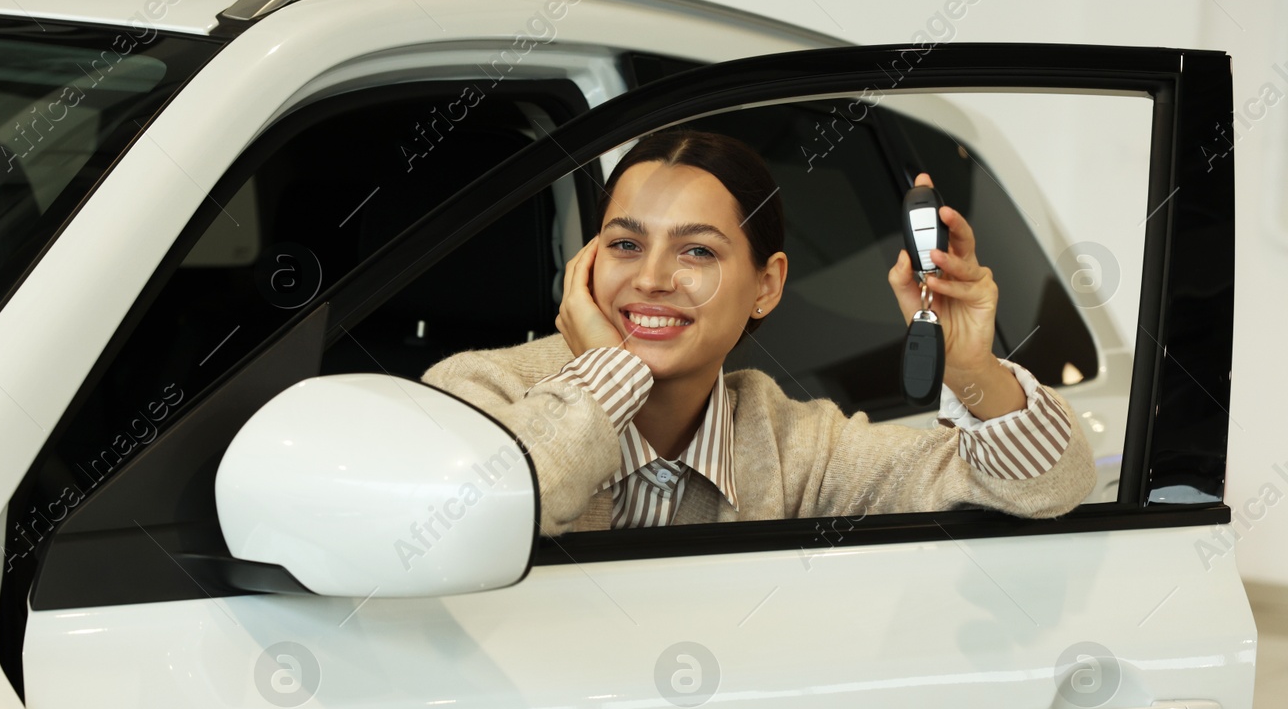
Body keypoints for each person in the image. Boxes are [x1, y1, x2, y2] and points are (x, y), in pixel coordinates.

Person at [419, 127, 1096, 537]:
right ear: (586, 263)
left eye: (697, 252)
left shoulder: (795, 447)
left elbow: (1045, 485)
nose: (651, 279)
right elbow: (479, 514)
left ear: (767, 285)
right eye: (625, 244)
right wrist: (604, 375)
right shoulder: (476, 391)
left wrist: (972, 370)